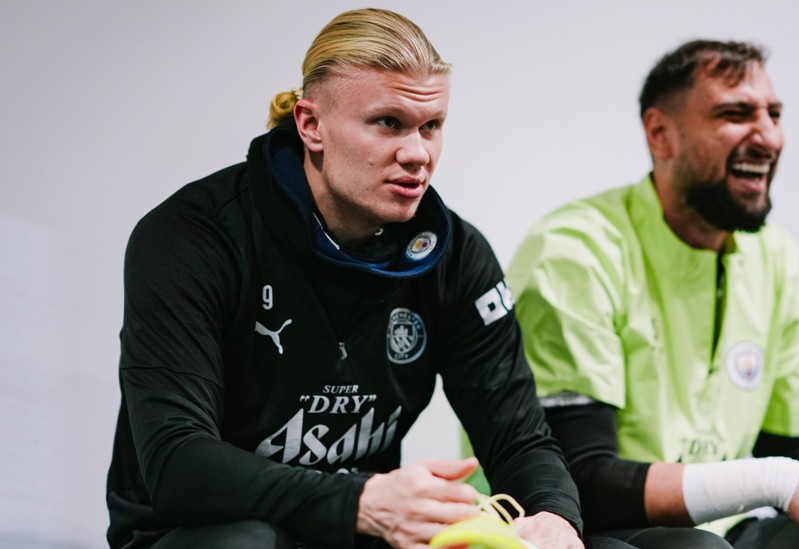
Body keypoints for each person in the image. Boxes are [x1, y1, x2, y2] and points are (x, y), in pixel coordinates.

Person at [105, 8, 586, 549]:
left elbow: (519, 439)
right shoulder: (192, 237)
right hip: (201, 535)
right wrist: (362, 502)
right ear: (311, 125)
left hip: (359, 534)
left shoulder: (456, 254)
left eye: (432, 126)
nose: (418, 154)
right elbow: (177, 464)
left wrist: (554, 518)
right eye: (388, 123)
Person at [506, 39, 799, 548]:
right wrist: (774, 480)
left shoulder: (777, 258)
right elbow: (577, 480)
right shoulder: (575, 251)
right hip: (583, 529)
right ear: (660, 134)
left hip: (734, 529)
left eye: (774, 114)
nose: (768, 136)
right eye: (736, 113)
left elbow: (790, 454)